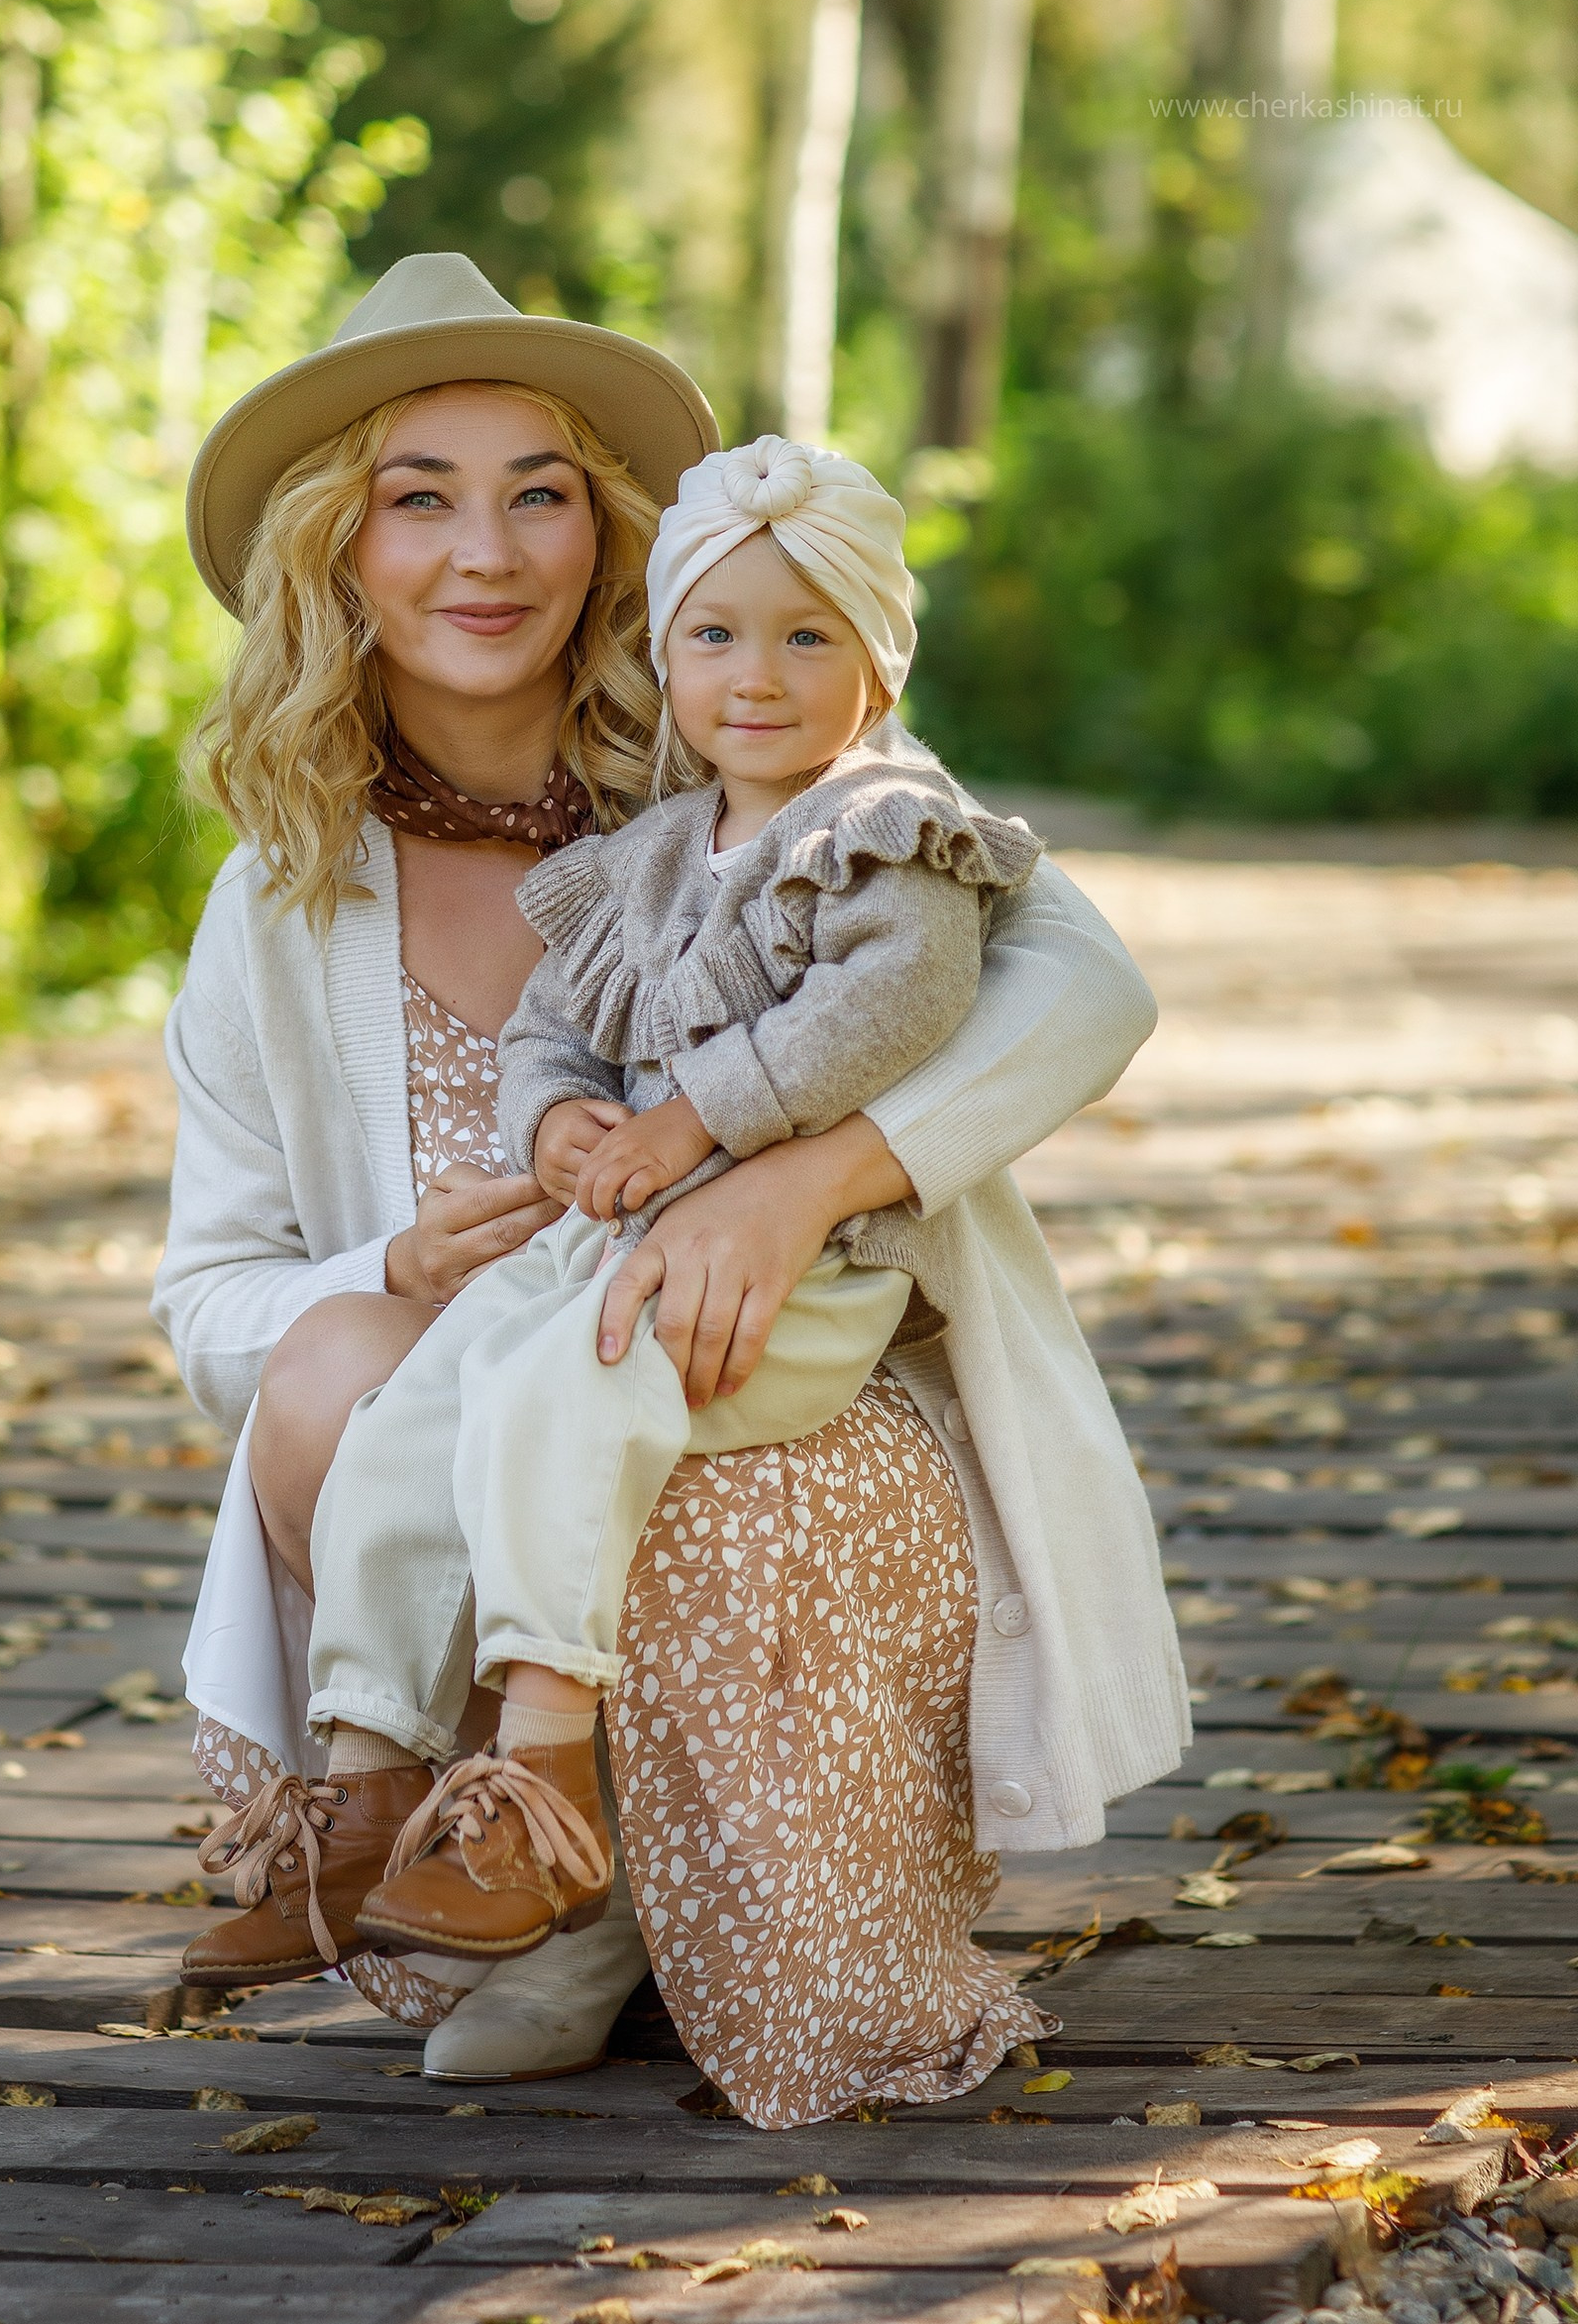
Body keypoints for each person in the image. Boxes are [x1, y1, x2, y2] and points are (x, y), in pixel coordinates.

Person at [154, 252, 1186, 2124]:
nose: (489, 551)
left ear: (611, 541)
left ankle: (633, 1877)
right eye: (422, 498)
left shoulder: (743, 729)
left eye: (539, 492)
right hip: (504, 1385)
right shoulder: (284, 894)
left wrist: (798, 1181)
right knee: (341, 1374)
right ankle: (466, 1817)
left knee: (684, 1461)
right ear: (339, 556)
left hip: (795, 1362)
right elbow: (206, 1296)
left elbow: (1082, 978)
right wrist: (387, 1257)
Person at [280, 436, 1055, 1971]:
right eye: (715, 635)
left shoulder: (885, 825)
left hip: (810, 1270)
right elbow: (555, 1025)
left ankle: (543, 1775)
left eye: (806, 635)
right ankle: (367, 1771)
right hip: (605, 1239)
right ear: (667, 648)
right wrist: (560, 1117)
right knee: (425, 1401)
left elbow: (898, 999)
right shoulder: (643, 852)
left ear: (880, 660)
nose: (755, 676)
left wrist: (701, 1114)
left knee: (575, 1389)